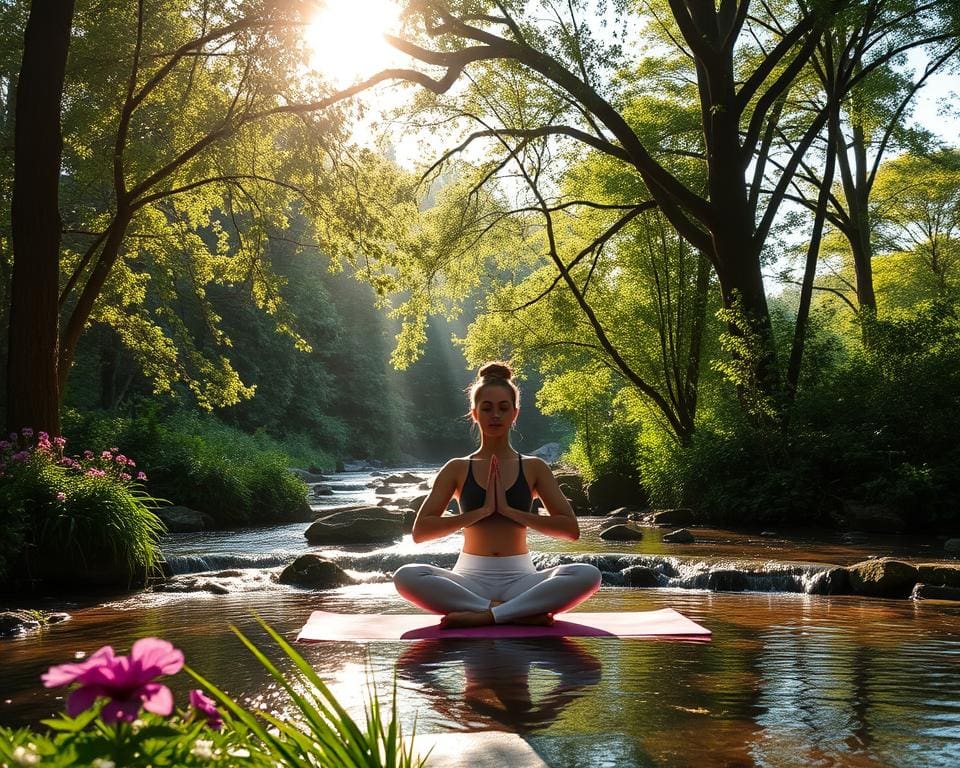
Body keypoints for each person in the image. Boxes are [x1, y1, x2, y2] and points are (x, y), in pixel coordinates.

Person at [393, 361, 602, 629]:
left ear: (515, 414)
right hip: (468, 581)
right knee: (406, 575)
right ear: (474, 413)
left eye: (504, 408)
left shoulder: (533, 467)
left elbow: (570, 530)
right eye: (487, 408)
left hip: (522, 580)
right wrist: (478, 513)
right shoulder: (457, 468)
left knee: (588, 574)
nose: (495, 415)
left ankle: (488, 616)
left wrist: (511, 512)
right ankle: (511, 612)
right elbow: (421, 532)